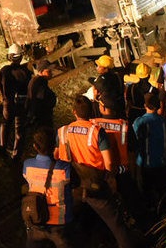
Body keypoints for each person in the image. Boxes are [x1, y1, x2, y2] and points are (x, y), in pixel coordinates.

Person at [56, 96, 137, 248]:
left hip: (74, 185)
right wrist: (110, 178)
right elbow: (109, 162)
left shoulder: (63, 131)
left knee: (76, 222)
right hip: (96, 184)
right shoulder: (96, 132)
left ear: (74, 112)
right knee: (116, 224)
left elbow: (58, 156)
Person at [22, 127, 74, 248]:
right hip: (59, 222)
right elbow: (73, 183)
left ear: (35, 146)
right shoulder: (64, 167)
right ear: (55, 145)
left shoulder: (27, 165)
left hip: (36, 219)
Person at [132, 92, 166, 217]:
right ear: (158, 106)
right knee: (160, 190)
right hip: (161, 163)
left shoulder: (138, 122)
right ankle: (161, 211)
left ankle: (147, 213)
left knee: (145, 192)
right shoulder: (165, 122)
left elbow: (133, 143)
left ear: (145, 105)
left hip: (143, 164)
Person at [0, 43, 32, 160]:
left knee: (5, 123)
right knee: (19, 128)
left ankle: (2, 147)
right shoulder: (26, 72)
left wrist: (4, 99)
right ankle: (16, 154)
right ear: (21, 57)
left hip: (8, 102)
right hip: (21, 103)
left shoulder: (4, 70)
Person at [27, 57, 57, 132]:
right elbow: (42, 99)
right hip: (42, 117)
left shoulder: (37, 80)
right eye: (48, 71)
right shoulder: (40, 82)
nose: (51, 73)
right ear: (41, 71)